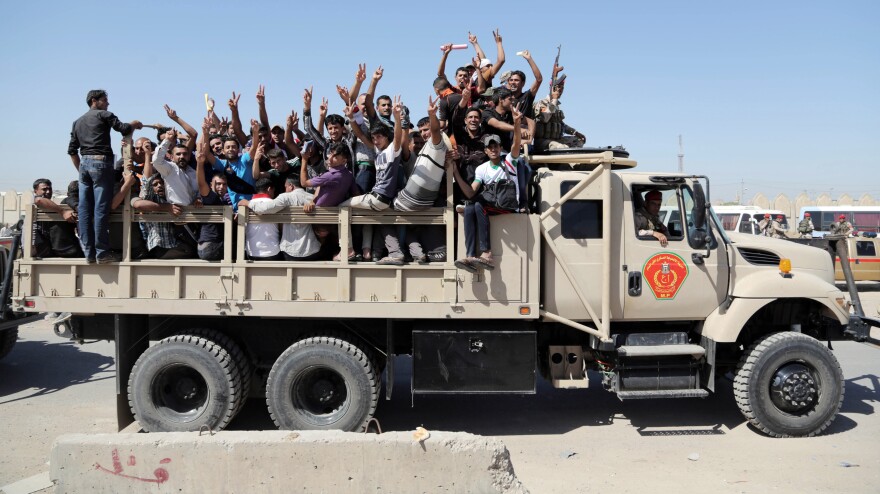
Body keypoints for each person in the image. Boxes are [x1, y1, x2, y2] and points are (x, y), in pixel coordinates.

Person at [67, 89, 143, 263]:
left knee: (84, 210)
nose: (108, 103)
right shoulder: (104, 115)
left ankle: (89, 254)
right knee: (101, 209)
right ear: (95, 100)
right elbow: (123, 128)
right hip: (101, 162)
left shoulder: (77, 122)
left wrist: (82, 170)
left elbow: (72, 151)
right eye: (105, 100)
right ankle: (102, 253)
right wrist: (134, 123)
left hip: (84, 164)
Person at [452, 105, 524, 273]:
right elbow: (470, 191)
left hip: (507, 205)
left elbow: (516, 143)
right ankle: (470, 255)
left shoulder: (509, 162)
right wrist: (455, 172)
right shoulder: (482, 168)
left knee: (478, 205)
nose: (493, 149)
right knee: (470, 205)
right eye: (490, 147)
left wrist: (517, 123)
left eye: (496, 146)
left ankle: (487, 253)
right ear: (485, 150)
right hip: (492, 205)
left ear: (500, 148)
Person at [239, 176, 322, 261]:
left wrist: (247, 203)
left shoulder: (285, 197)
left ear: (291, 186)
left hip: (290, 251)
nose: (285, 189)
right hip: (312, 248)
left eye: (285, 187)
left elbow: (263, 208)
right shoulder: (312, 198)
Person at [30, 179, 83, 258]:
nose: (48, 192)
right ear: (35, 191)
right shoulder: (36, 205)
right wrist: (63, 212)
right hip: (47, 251)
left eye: (50, 189)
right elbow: (39, 200)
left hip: (52, 251)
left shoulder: (54, 207)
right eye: (44, 189)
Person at [533, 74, 585, 152]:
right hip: (543, 142)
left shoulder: (557, 106)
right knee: (562, 148)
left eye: (562, 87)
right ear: (551, 88)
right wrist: (554, 100)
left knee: (579, 140)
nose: (560, 90)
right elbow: (545, 118)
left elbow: (561, 124)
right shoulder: (542, 103)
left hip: (556, 140)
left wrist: (575, 132)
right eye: (558, 87)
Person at [238, 178, 281, 260]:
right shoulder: (274, 204)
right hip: (272, 251)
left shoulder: (245, 204)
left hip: (252, 252)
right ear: (269, 189)